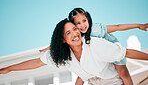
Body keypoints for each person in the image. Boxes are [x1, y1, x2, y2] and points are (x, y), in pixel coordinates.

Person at [1, 19, 148, 85]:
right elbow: (36, 63)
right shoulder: (63, 54)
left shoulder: (94, 44)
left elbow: (126, 52)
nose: (74, 34)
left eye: (75, 29)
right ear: (63, 40)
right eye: (68, 33)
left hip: (112, 82)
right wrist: (8, 69)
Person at [40, 8, 148, 85]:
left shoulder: (95, 29)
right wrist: (48, 49)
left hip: (111, 50)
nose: (82, 25)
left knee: (123, 72)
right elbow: (60, 42)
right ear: (74, 25)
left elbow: (117, 27)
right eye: (78, 23)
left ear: (88, 19)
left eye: (84, 21)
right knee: (84, 71)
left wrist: (138, 25)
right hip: (97, 60)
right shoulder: (77, 36)